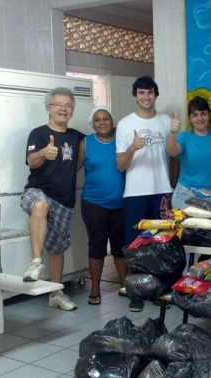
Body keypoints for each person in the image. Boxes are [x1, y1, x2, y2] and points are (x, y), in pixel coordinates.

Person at [20, 87, 84, 311]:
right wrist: (42, 154)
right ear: (48, 108)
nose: (63, 109)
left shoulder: (76, 137)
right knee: (40, 205)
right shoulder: (38, 134)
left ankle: (56, 294)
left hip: (65, 200)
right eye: (58, 105)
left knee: (57, 248)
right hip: (38, 190)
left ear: (72, 110)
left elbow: (79, 162)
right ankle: (36, 263)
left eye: (68, 106)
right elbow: (31, 161)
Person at [116, 76, 173, 312]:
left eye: (150, 93)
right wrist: (132, 147)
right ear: (135, 96)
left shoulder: (166, 121)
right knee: (135, 246)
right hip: (135, 193)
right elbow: (120, 165)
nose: (146, 97)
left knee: (162, 244)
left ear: (155, 95)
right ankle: (135, 293)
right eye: (141, 93)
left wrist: (173, 183)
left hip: (162, 190)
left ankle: (159, 292)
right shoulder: (125, 124)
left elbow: (173, 155)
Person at [77, 106, 128, 306]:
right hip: (93, 203)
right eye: (97, 120)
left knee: (120, 247)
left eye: (105, 118)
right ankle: (95, 288)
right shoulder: (86, 143)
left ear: (112, 121)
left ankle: (125, 285)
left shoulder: (121, 140)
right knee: (97, 246)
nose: (102, 122)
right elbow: (73, 168)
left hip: (121, 203)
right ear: (93, 124)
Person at [166, 96, 211, 209]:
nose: (199, 118)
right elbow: (172, 152)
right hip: (186, 195)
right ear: (190, 118)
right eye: (195, 115)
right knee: (186, 226)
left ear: (209, 114)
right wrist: (172, 133)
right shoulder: (184, 137)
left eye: (203, 113)